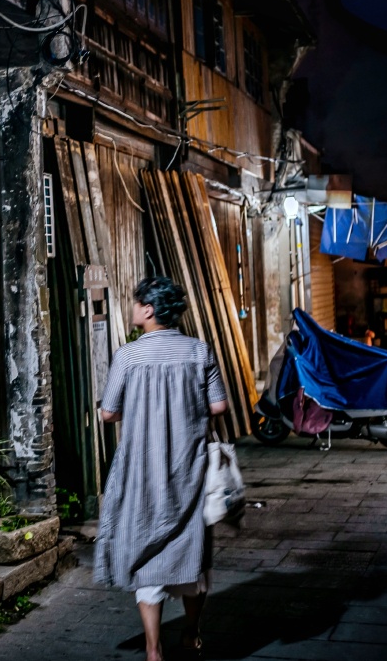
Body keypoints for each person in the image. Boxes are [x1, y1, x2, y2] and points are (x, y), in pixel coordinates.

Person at [94, 277, 229, 661]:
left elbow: (108, 412)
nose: (132, 308)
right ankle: (191, 632)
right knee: (193, 551)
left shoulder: (128, 356)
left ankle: (154, 649)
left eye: (136, 302)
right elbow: (218, 406)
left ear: (149, 310)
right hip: (190, 468)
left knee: (144, 548)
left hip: (142, 469)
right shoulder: (198, 351)